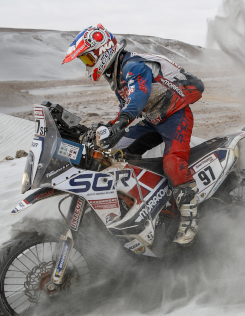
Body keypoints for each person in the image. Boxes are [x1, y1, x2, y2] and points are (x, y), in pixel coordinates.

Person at [62, 24, 204, 246]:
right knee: (116, 154)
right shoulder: (117, 72)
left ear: (103, 50)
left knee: (173, 162)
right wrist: (110, 126)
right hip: (152, 120)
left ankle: (190, 219)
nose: (88, 66)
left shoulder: (132, 66)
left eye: (88, 59)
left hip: (175, 115)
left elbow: (138, 97)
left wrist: (121, 122)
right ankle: (142, 201)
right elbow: (128, 105)